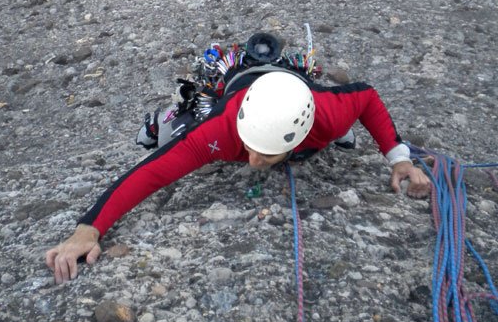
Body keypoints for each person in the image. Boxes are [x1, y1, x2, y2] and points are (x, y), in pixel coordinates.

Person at [46, 68, 431, 284]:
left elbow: (366, 96)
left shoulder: (329, 112)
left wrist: (399, 158)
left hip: (300, 96)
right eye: (249, 146)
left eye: (265, 153)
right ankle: (164, 119)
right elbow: (154, 172)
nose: (252, 159)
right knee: (179, 128)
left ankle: (327, 138)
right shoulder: (223, 131)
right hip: (233, 94)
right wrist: (89, 228)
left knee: (336, 133)